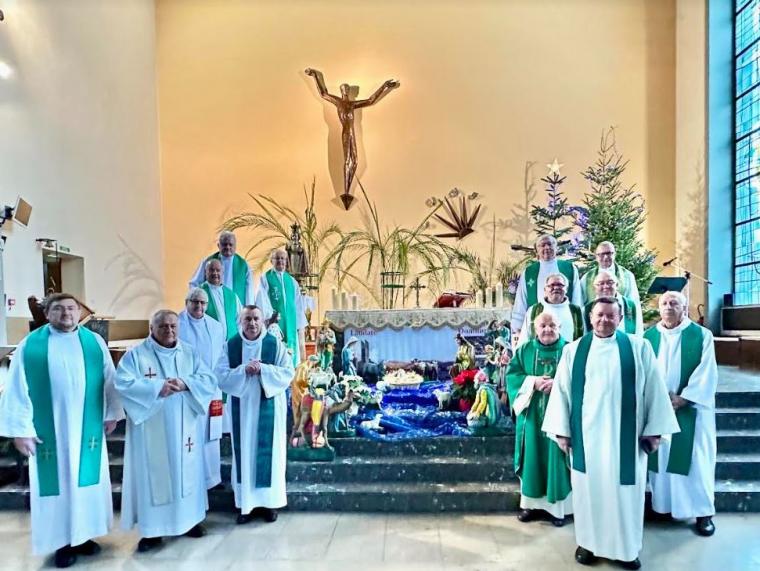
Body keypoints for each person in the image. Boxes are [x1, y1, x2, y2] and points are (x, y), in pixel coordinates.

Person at [542, 297, 679, 569]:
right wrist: (561, 431)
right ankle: (588, 544)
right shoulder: (574, 350)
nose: (604, 320)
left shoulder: (639, 348)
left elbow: (654, 388)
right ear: (590, 318)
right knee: (588, 493)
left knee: (625, 495)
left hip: (626, 440)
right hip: (587, 440)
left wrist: (655, 431)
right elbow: (562, 392)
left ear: (620, 319)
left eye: (610, 315)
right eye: (599, 315)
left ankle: (627, 550)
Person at [0, 293, 123, 568]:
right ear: (47, 313)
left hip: (87, 429)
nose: (66, 314)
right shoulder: (31, 345)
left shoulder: (94, 342)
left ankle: (84, 536)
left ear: (79, 313)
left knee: (87, 485)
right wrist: (21, 430)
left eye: (71, 308)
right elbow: (17, 388)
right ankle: (61, 543)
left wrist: (112, 413)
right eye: (58, 309)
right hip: (51, 432)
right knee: (59, 488)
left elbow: (109, 379)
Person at [116, 310, 217, 552]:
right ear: (151, 329)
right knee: (155, 476)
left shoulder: (189, 352)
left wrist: (186, 383)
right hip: (151, 426)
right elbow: (123, 383)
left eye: (173, 326)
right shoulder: (136, 355)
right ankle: (153, 531)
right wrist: (156, 388)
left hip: (186, 426)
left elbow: (208, 379)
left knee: (187, 471)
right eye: (163, 326)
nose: (169, 330)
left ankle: (190, 521)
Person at [645, 291, 717, 537]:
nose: (668, 307)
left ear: (684, 308)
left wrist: (684, 398)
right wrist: (656, 400)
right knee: (662, 459)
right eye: (664, 303)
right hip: (659, 410)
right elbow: (644, 372)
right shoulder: (648, 337)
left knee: (697, 462)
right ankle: (664, 507)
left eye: (674, 303)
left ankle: (703, 513)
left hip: (691, 410)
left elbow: (707, 370)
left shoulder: (701, 335)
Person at [215, 306, 294, 524]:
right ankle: (246, 505)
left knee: (271, 454)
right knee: (245, 454)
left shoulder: (274, 344)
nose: (252, 323)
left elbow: (288, 372)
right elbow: (220, 375)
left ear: (263, 321)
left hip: (269, 407)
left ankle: (270, 504)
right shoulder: (231, 345)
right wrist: (243, 370)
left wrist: (263, 370)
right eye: (247, 319)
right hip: (241, 410)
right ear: (241, 322)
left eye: (256, 318)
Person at [506, 312, 572, 526]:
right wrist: (532, 382)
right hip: (532, 416)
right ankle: (530, 506)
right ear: (535, 328)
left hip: (561, 417)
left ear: (560, 327)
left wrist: (558, 384)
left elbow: (579, 378)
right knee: (531, 458)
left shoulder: (570, 350)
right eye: (543, 325)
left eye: (552, 325)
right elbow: (512, 376)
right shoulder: (524, 350)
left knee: (557, 459)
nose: (547, 329)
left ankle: (558, 510)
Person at [178, 287, 226, 490]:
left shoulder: (216, 326)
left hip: (211, 388)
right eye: (194, 302)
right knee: (188, 434)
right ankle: (190, 478)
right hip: (186, 388)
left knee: (210, 434)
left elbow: (221, 356)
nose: (199, 306)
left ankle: (212, 479)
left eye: (202, 303)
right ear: (186, 302)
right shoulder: (176, 324)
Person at [511, 235, 582, 342]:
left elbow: (577, 297)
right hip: (538, 325)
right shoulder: (529, 272)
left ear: (556, 247)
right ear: (537, 250)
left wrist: (578, 319)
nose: (546, 247)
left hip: (566, 322)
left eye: (550, 244)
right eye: (542, 245)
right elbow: (521, 299)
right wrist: (518, 325)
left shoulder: (570, 269)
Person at [255, 248, 307, 365]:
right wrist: (269, 317)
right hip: (274, 323)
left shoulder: (291, 281)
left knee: (291, 352)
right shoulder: (265, 278)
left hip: (290, 323)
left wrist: (299, 325)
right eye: (277, 258)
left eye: (283, 259)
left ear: (286, 261)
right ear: (271, 261)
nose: (280, 261)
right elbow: (262, 299)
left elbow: (298, 304)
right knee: (276, 352)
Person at [517, 272, 584, 346]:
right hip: (540, 353)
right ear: (545, 289)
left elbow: (584, 338)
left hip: (570, 353)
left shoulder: (576, 311)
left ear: (566, 289)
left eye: (560, 285)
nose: (556, 288)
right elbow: (524, 339)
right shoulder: (534, 310)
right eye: (552, 285)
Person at [189, 231, 254, 304]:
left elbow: (249, 290)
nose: (228, 247)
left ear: (235, 246)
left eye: (230, 244)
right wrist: (197, 302)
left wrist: (249, 307)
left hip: (236, 305)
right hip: (212, 304)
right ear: (218, 245)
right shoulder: (208, 262)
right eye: (224, 244)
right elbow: (195, 283)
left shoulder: (243, 266)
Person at [582, 270, 643, 335]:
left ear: (617, 285)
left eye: (610, 283)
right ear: (594, 288)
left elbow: (638, 330)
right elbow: (584, 335)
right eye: (601, 283)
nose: (606, 286)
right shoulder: (586, 310)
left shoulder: (630, 306)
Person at [201, 258, 242, 341]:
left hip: (231, 343)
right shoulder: (199, 293)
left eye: (218, 270)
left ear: (223, 272)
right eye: (211, 270)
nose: (215, 273)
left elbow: (240, 320)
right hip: (209, 342)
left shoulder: (232, 295)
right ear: (205, 272)